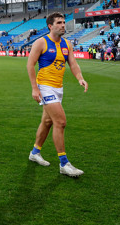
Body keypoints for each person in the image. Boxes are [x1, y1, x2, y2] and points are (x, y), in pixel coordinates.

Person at [27, 12, 88, 178]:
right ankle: (64, 164)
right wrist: (35, 88)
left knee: (47, 122)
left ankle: (35, 153)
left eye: (64, 22)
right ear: (50, 26)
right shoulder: (41, 42)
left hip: (58, 88)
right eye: (59, 23)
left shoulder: (67, 44)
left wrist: (80, 78)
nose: (63, 25)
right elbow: (30, 65)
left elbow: (73, 64)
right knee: (60, 122)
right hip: (45, 86)